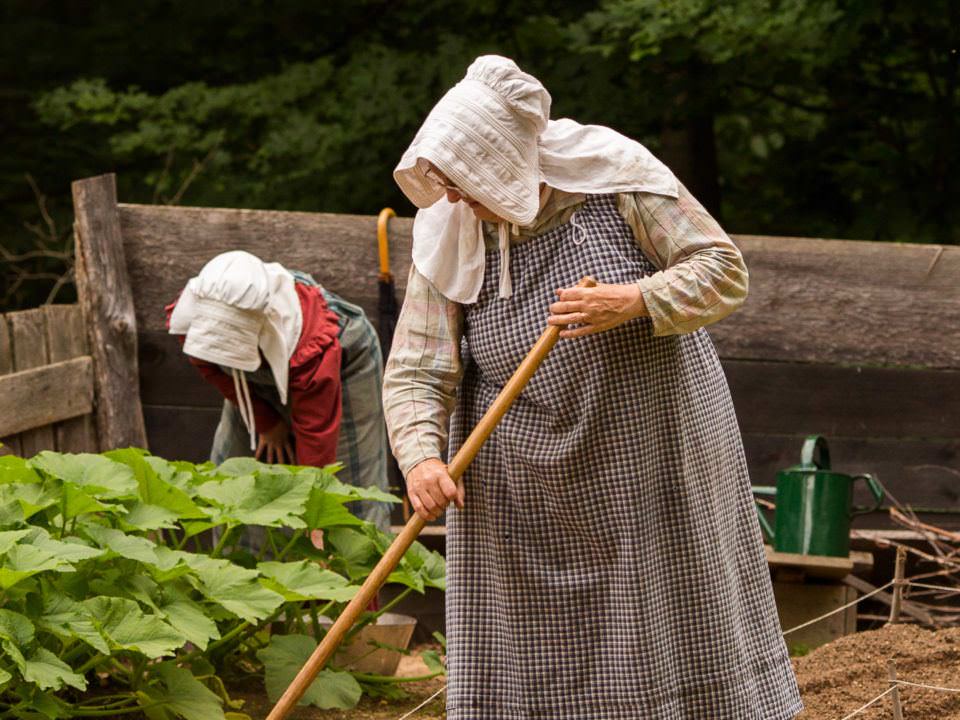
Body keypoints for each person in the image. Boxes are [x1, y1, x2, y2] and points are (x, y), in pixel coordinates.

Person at [382, 56, 802, 719]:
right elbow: (417, 367)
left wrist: (637, 298)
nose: (454, 197)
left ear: (502, 160)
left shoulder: (615, 177)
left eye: (466, 180)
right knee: (536, 652)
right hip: (520, 484)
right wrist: (421, 456)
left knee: (662, 627)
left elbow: (723, 270)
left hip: (649, 456)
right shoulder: (449, 233)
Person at [167, 250, 390, 533]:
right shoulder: (201, 309)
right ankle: (245, 571)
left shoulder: (312, 343)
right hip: (248, 379)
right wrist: (267, 423)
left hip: (344, 367)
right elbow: (207, 363)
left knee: (345, 487)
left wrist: (314, 523)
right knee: (231, 482)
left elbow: (316, 434)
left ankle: (347, 572)